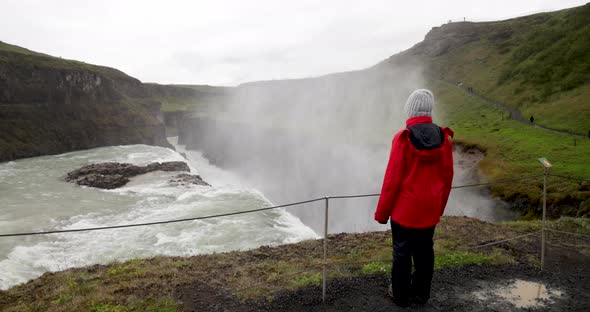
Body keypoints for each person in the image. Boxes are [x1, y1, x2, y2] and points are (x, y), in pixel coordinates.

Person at [374, 89, 454, 307]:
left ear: (410, 110)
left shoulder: (404, 138)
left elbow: (391, 181)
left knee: (401, 254)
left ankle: (400, 297)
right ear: (429, 110)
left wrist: (382, 214)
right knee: (424, 252)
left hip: (404, 212)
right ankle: (421, 295)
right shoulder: (444, 139)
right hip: (429, 211)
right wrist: (439, 208)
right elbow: (447, 179)